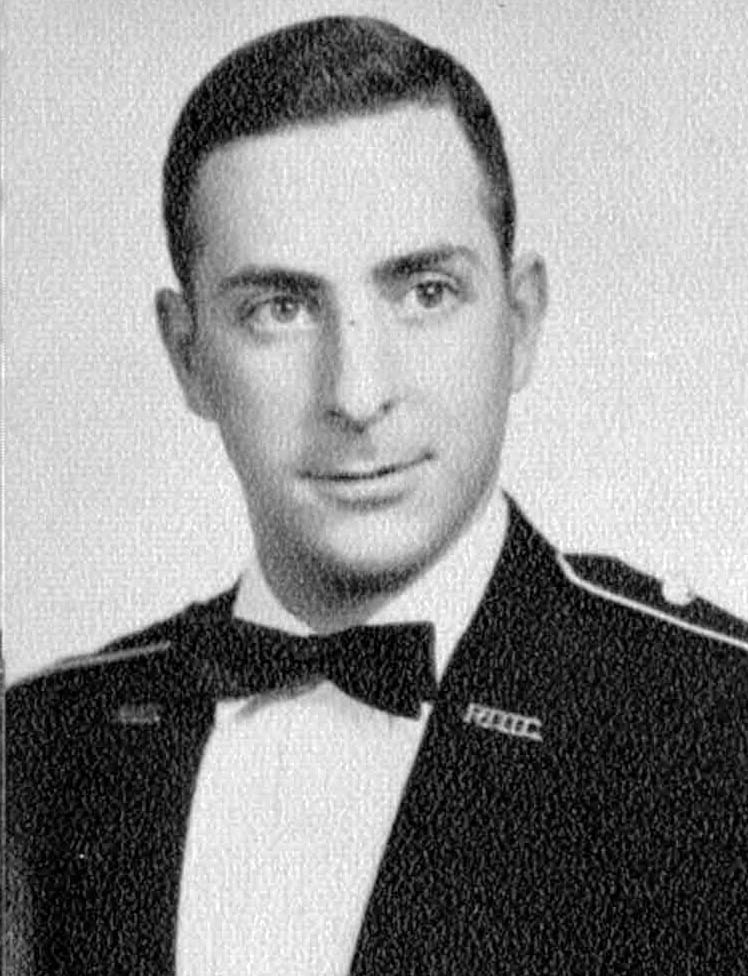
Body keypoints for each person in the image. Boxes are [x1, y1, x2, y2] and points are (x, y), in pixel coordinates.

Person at [6, 15, 747, 976]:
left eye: (424, 292)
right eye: (279, 308)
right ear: (188, 355)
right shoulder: (39, 751)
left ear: (520, 320)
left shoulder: (717, 731)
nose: (357, 395)